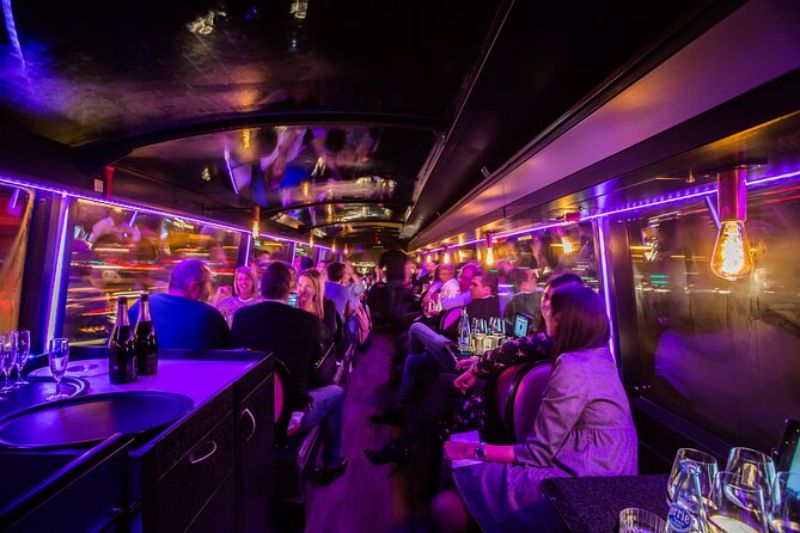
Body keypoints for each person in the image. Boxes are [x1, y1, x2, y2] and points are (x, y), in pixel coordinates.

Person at [436, 284, 637, 531]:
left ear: (564, 319)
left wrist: (474, 451)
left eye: (550, 308)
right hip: (613, 478)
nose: (544, 313)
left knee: (450, 486)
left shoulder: (572, 366)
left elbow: (536, 454)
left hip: (576, 488)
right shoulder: (601, 356)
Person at [364, 273, 583, 469]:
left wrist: (478, 367)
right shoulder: (553, 338)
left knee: (426, 352)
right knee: (426, 366)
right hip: (501, 387)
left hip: (509, 403)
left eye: (552, 299)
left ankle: (410, 446)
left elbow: (514, 349)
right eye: (544, 297)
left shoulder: (557, 343)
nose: (546, 304)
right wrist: (478, 364)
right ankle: (407, 443)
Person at [231, 262, 347, 484]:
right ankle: (332, 463)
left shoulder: (241, 317)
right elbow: (317, 370)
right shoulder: (308, 323)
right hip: (288, 417)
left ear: (261, 288)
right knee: (336, 393)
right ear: (290, 289)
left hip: (247, 413)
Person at [370, 270, 501, 426]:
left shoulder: (475, 306)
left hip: (460, 360)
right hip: (462, 353)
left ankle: (401, 404)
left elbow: (449, 331)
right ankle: (399, 408)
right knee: (413, 361)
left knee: (416, 327)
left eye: (474, 284)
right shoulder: (496, 306)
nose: (470, 287)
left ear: (487, 289)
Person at [129, 259, 230, 349]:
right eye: (209, 283)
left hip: (145, 369)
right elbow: (231, 359)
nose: (210, 289)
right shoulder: (210, 315)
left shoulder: (142, 305)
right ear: (194, 288)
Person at [298, 268, 338, 343]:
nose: (302, 290)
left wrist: (309, 315)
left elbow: (329, 336)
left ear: (317, 290)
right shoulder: (293, 300)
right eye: (300, 285)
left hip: (314, 346)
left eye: (308, 286)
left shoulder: (328, 305)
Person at [502, 268, 541, 332]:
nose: (535, 279)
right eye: (532, 278)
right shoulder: (536, 300)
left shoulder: (509, 304)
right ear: (524, 285)